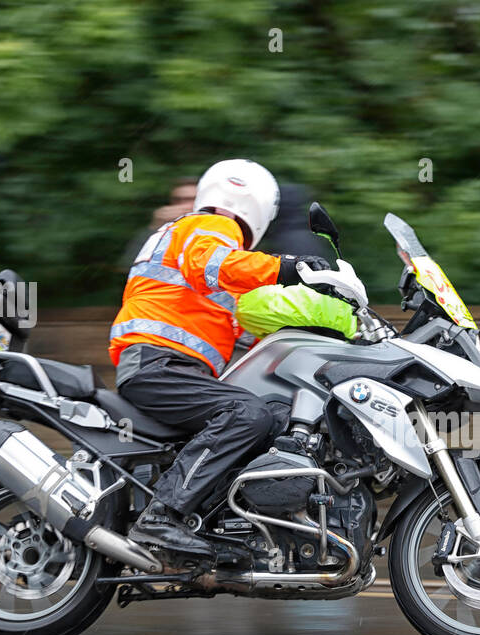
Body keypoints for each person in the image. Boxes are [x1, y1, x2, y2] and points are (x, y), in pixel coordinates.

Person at [110, 159, 330, 555]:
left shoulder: (214, 257)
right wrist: (287, 266)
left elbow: (248, 330)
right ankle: (162, 516)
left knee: (279, 415)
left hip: (171, 366)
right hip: (156, 363)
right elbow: (214, 264)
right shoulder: (209, 228)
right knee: (246, 414)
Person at [118, 177, 200, 269]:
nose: (183, 205)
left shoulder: (214, 226)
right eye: (178, 200)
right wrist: (155, 228)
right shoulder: (166, 229)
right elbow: (128, 264)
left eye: (191, 199)